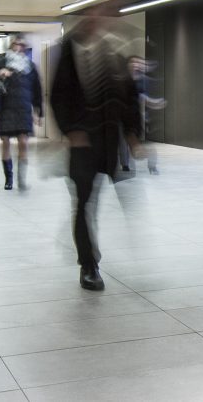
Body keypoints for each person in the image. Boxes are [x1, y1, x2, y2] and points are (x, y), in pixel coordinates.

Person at [50, 16, 141, 291]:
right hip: (82, 145)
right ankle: (88, 265)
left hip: (107, 142)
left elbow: (128, 96)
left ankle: (89, 254)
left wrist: (132, 133)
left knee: (95, 203)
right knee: (84, 203)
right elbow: (58, 96)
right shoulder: (70, 53)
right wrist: (71, 131)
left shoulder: (114, 53)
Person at [0, 35, 43, 190]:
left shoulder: (30, 65)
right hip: (6, 106)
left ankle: (21, 178)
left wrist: (38, 111)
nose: (19, 47)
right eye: (16, 44)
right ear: (11, 45)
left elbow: (37, 89)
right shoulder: (2, 61)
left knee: (23, 142)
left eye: (22, 45)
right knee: (6, 141)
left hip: (23, 107)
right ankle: (9, 179)